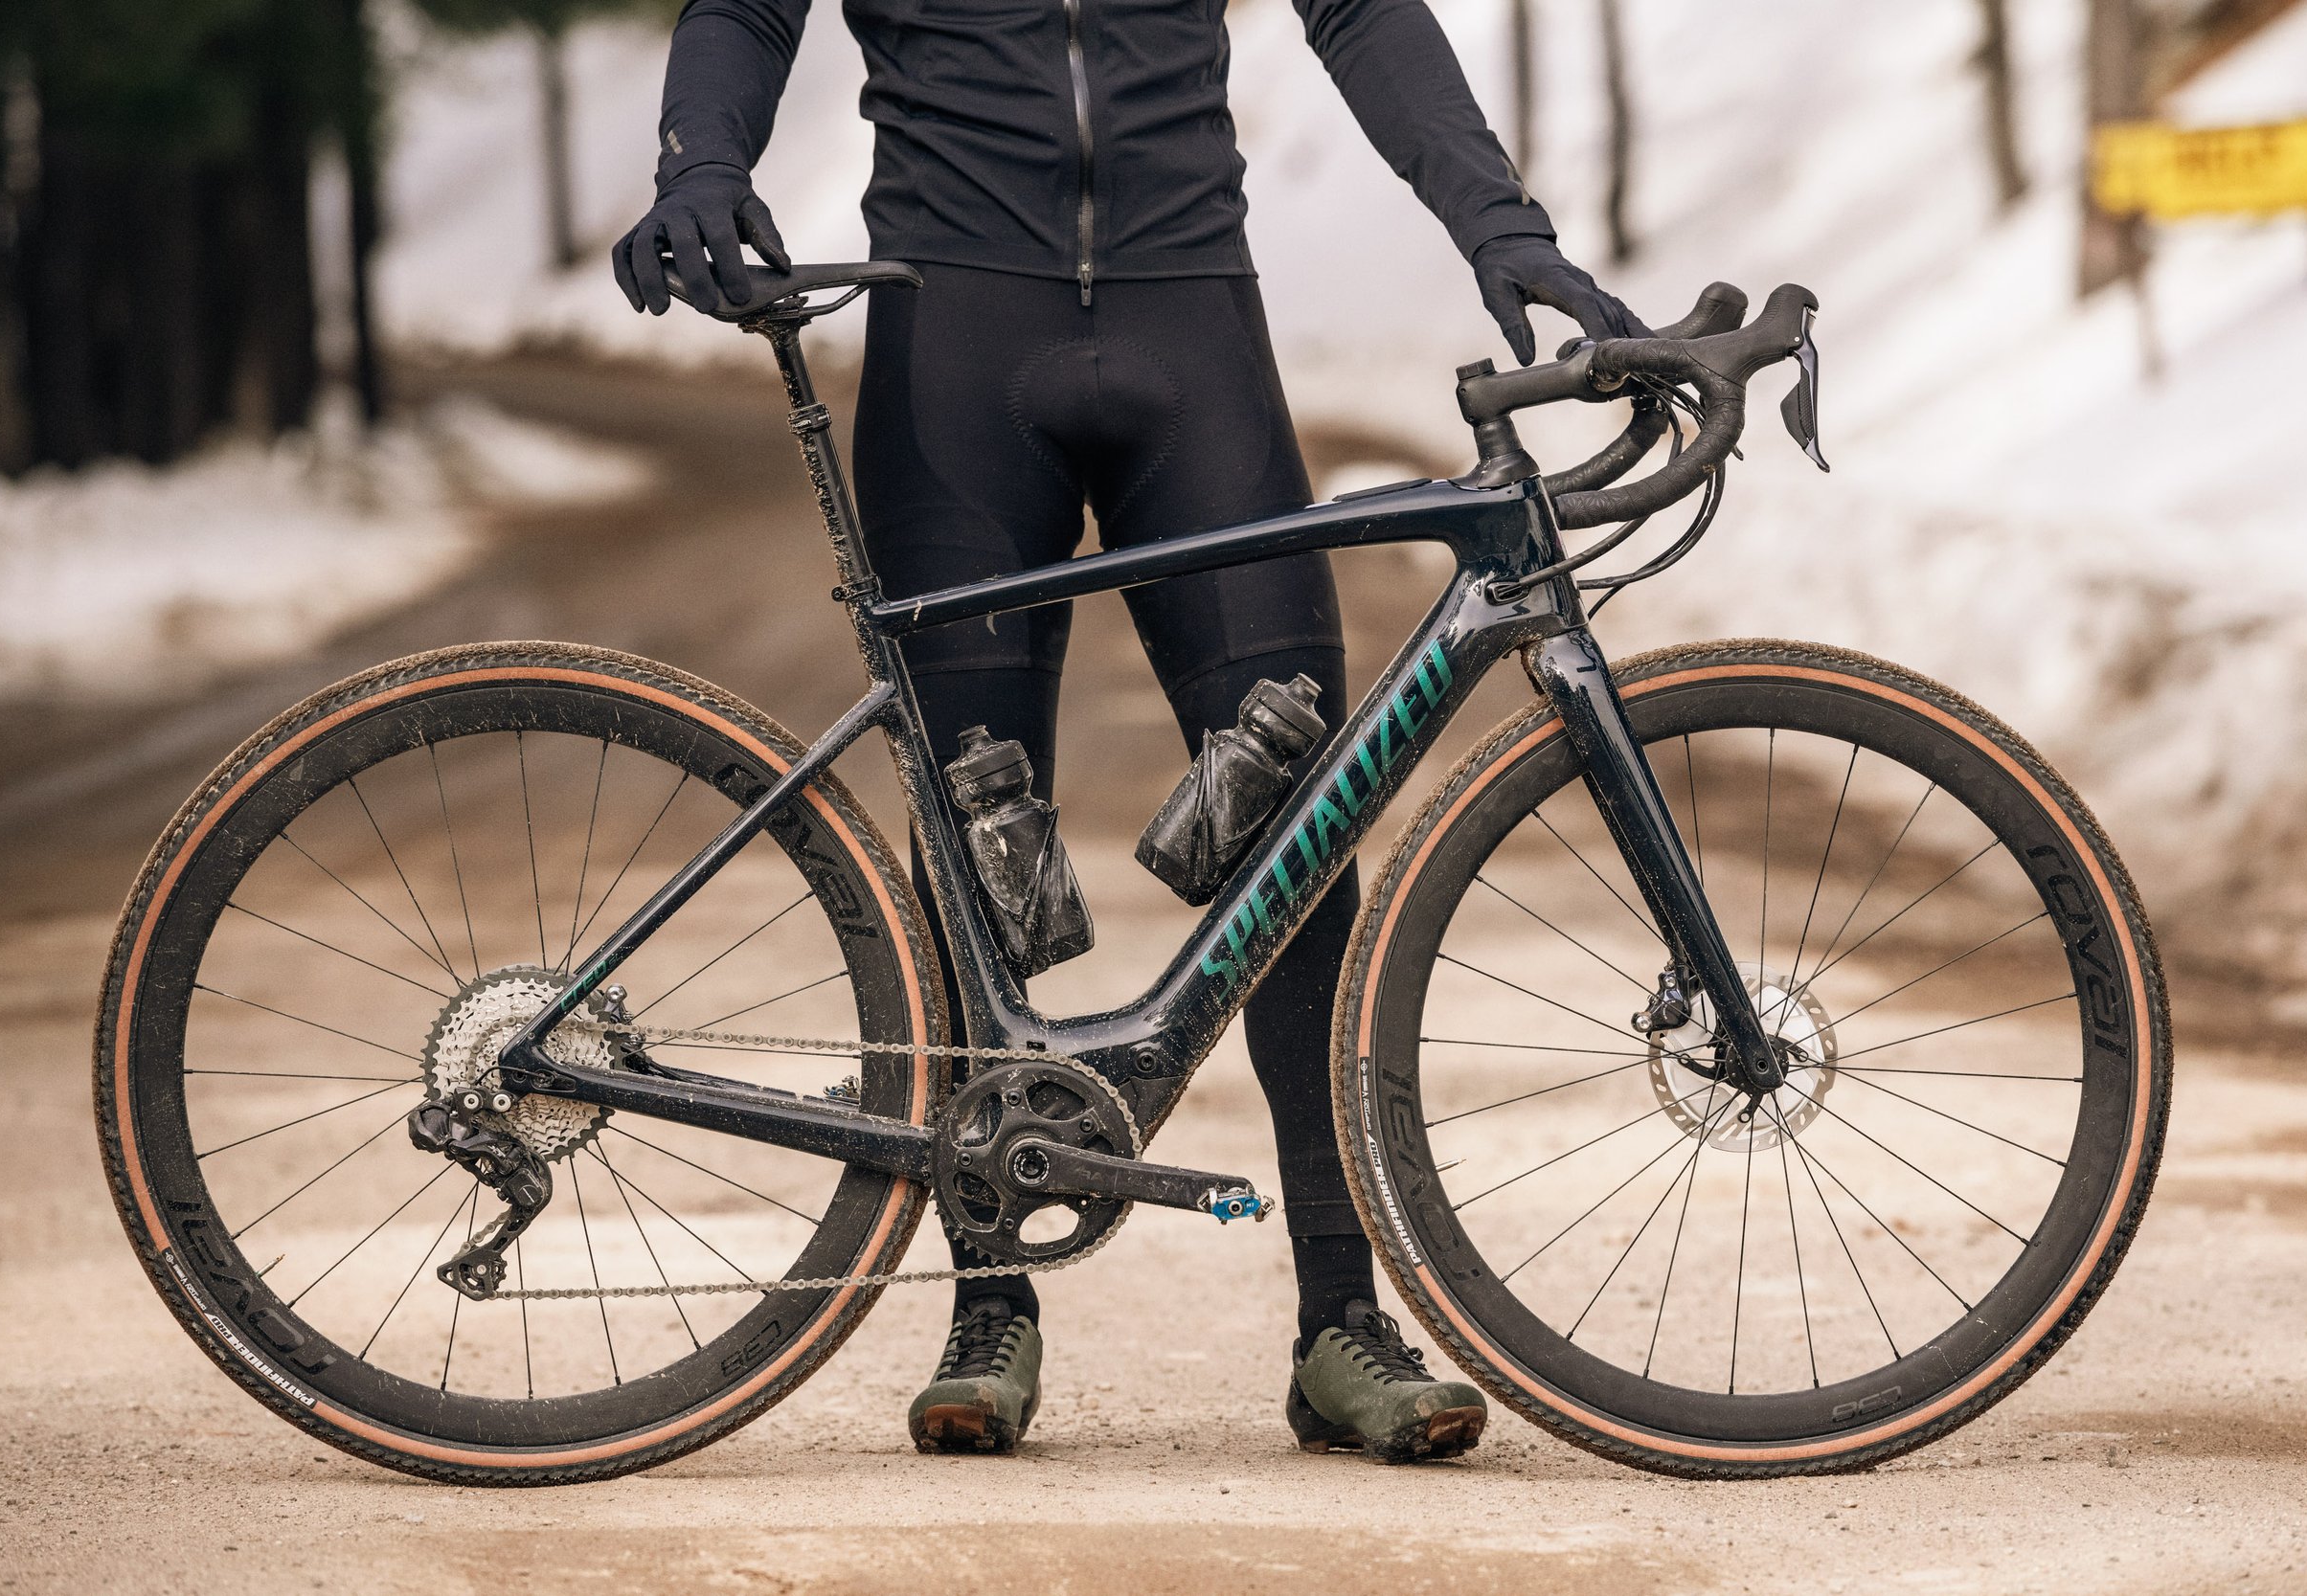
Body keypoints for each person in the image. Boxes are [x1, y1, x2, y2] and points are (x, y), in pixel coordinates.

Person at [615, 0, 1646, 1463]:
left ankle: (1341, 1322)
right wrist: (699, 164)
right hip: (954, 338)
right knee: (974, 826)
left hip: (1190, 322)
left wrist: (1500, 224)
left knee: (1299, 807)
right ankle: (989, 1303)